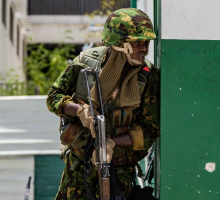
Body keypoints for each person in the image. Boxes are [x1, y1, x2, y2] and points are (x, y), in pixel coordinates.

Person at [46, 8, 159, 200]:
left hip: (119, 170)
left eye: (146, 43)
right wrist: (80, 110)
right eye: (137, 43)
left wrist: (112, 143)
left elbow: (150, 129)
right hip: (78, 166)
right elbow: (53, 97)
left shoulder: (148, 76)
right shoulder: (85, 63)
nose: (144, 49)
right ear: (120, 44)